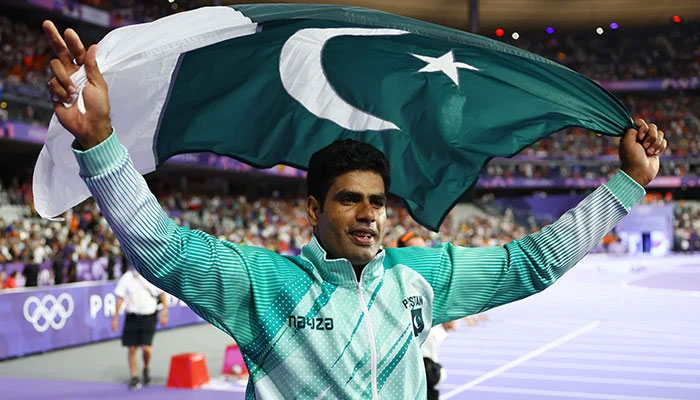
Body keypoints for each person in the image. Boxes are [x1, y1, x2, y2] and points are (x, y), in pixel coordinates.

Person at [43, 20, 667, 399]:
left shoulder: (421, 279)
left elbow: (532, 263)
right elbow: (163, 248)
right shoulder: (267, 286)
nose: (369, 214)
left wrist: (627, 185)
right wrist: (99, 140)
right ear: (314, 209)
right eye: (350, 200)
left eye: (376, 201)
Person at [397, 232, 454, 400]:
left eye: (424, 250)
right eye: (415, 250)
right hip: (406, 375)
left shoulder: (430, 286)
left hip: (428, 373)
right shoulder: (394, 288)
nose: (421, 256)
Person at [112, 267, 168, 389]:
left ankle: (146, 368)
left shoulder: (151, 273)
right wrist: (115, 318)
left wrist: (164, 312)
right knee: (132, 348)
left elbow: (162, 293)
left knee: (146, 349)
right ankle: (134, 376)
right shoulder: (127, 278)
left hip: (149, 316)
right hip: (132, 316)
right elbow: (120, 298)